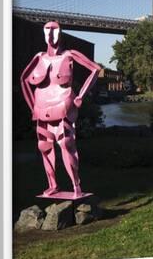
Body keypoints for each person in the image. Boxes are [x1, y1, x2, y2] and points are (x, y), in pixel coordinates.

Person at [20, 21, 100, 198]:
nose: (50, 34)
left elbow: (94, 70)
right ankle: (53, 185)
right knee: (44, 146)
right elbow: (24, 80)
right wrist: (32, 105)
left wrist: (81, 95)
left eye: (54, 29)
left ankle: (75, 186)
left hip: (63, 106)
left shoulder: (69, 55)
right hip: (42, 110)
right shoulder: (39, 58)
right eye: (47, 30)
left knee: (66, 144)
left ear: (60, 32)